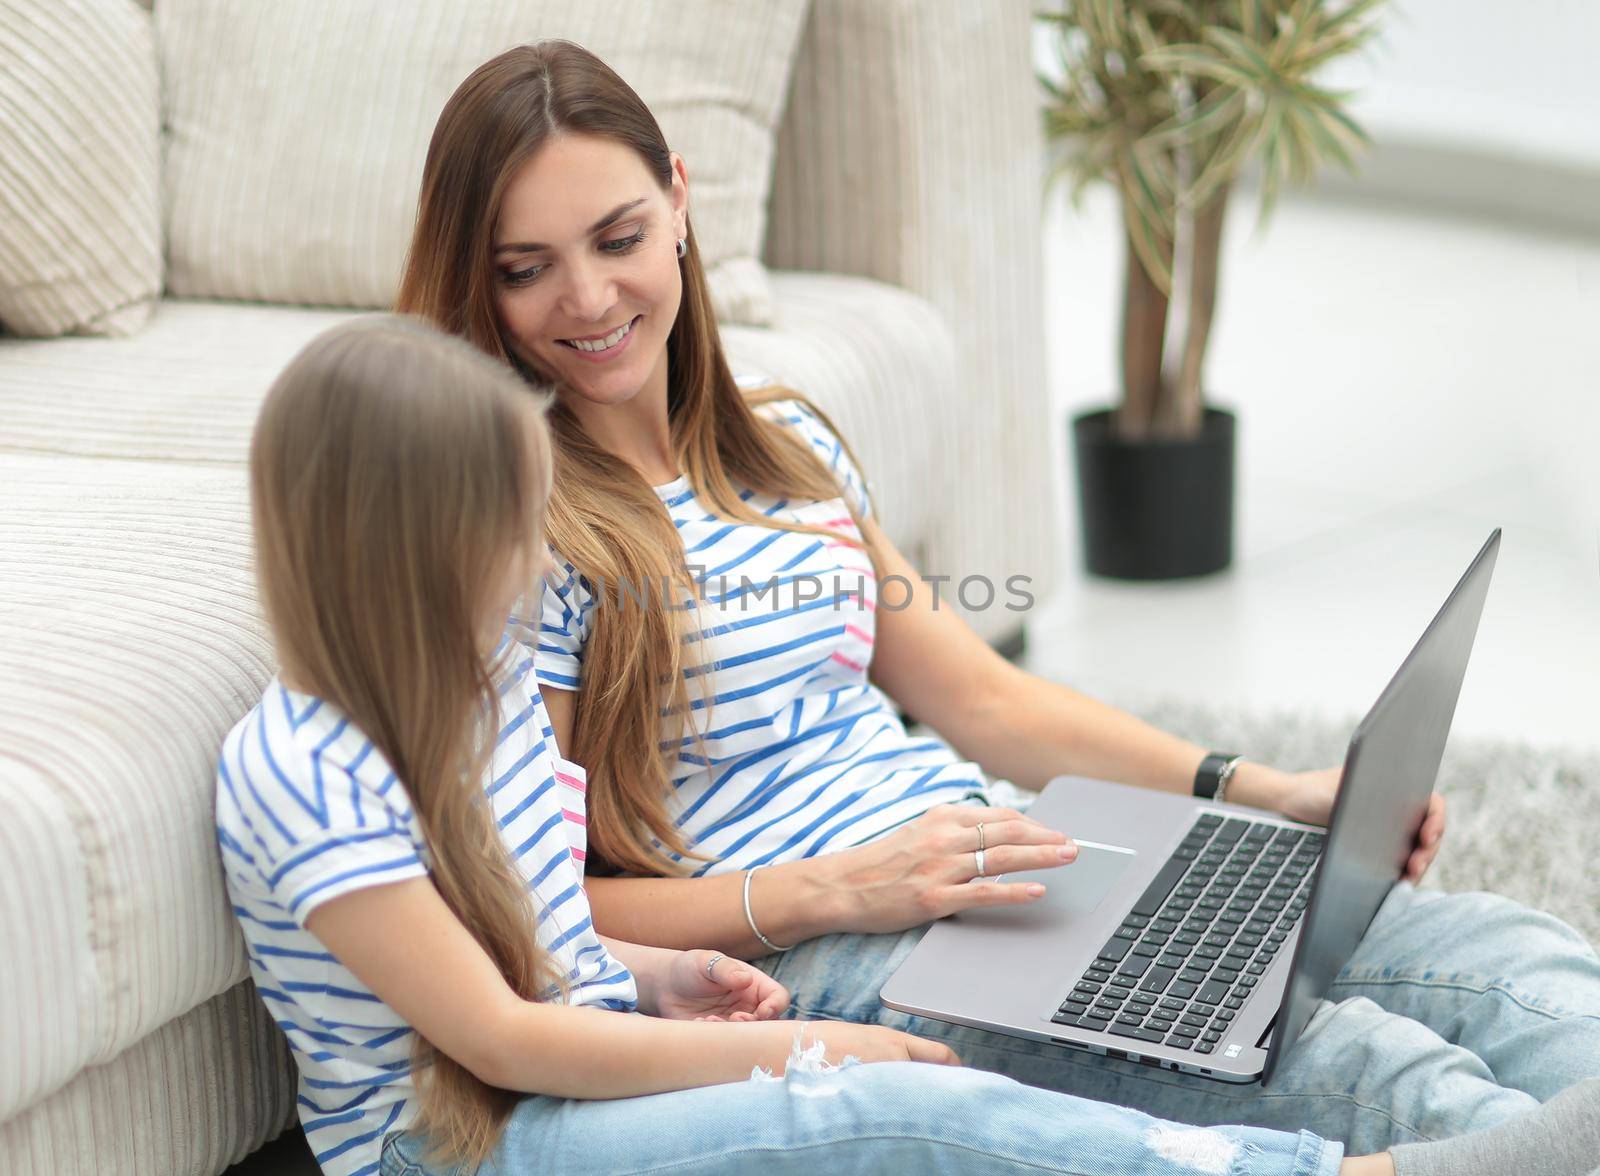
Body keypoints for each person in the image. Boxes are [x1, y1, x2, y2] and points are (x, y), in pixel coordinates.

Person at [391, 39, 1600, 1160]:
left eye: (618, 237)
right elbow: (534, 903)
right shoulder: (520, 533)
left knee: (1502, 956)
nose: (590, 300)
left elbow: (977, 695)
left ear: (681, 204)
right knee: (1390, 1082)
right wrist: (833, 889)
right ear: (478, 288)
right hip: (834, 951)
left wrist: (1257, 789)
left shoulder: (784, 445)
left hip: (993, 862)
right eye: (526, 270)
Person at [214, 314, 1431, 1176]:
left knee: (901, 1079)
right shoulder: (300, 773)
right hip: (458, 1141)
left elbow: (533, 935)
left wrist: (656, 980)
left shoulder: (474, 689)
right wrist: (812, 1043)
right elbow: (497, 1035)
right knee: (872, 1111)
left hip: (566, 1058)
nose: (538, 561)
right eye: (510, 530)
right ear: (404, 543)